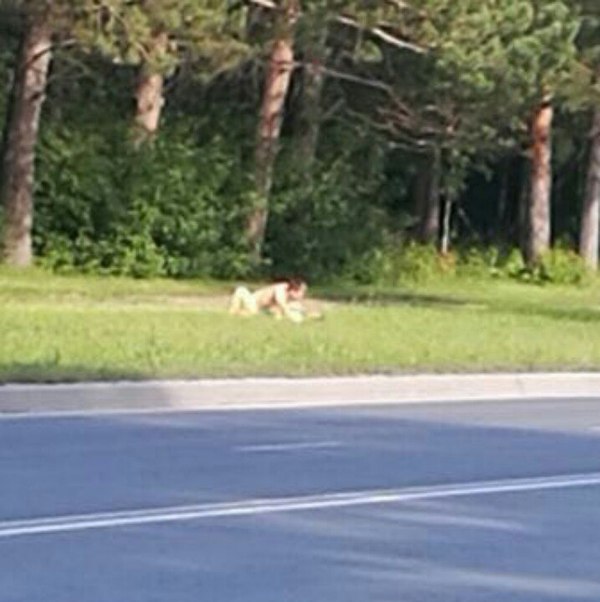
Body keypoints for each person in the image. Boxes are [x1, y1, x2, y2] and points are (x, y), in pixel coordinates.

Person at [229, 278, 308, 323]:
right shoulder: (281, 289)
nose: (303, 295)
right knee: (241, 290)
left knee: (249, 315)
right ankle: (232, 311)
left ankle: (237, 313)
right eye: (302, 291)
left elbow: (298, 308)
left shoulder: (290, 296)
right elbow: (282, 304)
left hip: (260, 309)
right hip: (253, 301)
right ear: (294, 289)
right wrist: (293, 317)